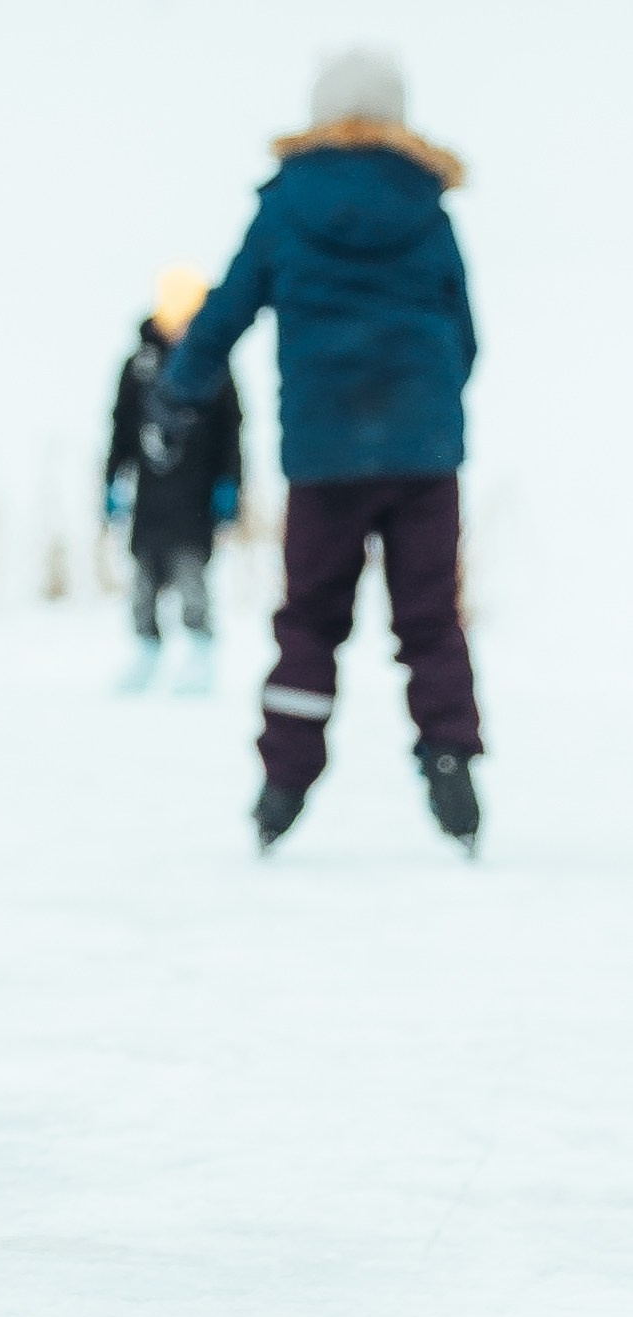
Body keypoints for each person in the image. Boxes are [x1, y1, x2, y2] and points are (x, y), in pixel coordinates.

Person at [156, 48, 483, 855]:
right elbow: (465, 332)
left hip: (324, 452)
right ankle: (450, 758)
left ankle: (283, 784)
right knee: (431, 619)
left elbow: (226, 311)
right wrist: (428, 407)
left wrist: (179, 388)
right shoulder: (427, 205)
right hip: (423, 455)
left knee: (309, 619)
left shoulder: (287, 204)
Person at [104, 263, 241, 694]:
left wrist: (230, 486)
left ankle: (201, 653)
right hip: (149, 498)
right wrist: (111, 480)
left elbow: (232, 432)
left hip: (195, 498)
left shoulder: (215, 368)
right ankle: (146, 651)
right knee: (143, 579)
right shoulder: (138, 366)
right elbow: (120, 429)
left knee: (190, 576)